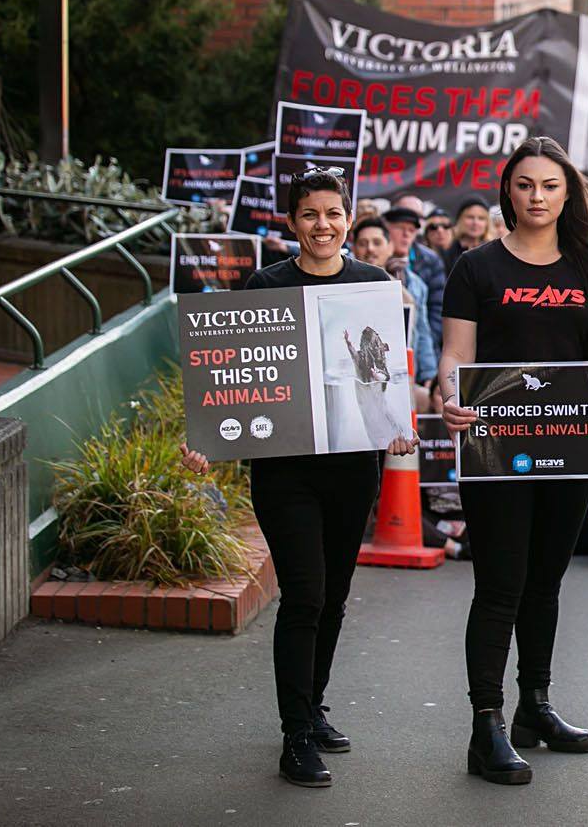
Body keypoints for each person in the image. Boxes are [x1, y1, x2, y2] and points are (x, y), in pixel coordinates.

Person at [179, 169, 419, 789]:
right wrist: (207, 435)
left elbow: (384, 374)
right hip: (285, 472)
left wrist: (398, 422)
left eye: (333, 214)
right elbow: (237, 373)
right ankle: (294, 736)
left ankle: (312, 710)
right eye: (309, 214)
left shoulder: (373, 285)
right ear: (291, 222)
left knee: (333, 597)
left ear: (349, 218)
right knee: (305, 595)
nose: (323, 225)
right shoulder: (267, 284)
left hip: (351, 467)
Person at [438, 137, 588, 787]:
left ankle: (535, 706)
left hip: (571, 451)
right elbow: (454, 358)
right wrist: (447, 395)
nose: (538, 196)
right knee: (499, 586)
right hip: (494, 451)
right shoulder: (476, 268)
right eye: (525, 184)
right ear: (508, 191)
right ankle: (486, 724)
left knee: (545, 583)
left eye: (550, 185)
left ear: (567, 193)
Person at [350, 216, 437, 408]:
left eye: (377, 242)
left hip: (398, 378)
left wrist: (429, 375)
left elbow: (421, 335)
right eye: (363, 243)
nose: (370, 249)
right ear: (354, 248)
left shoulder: (409, 291)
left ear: (390, 247)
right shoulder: (342, 287)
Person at [387, 197, 446, 363]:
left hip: (415, 352)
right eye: (400, 228)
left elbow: (432, 316)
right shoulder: (372, 264)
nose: (406, 234)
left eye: (411, 230)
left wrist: (427, 367)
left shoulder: (427, 264)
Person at [443, 195, 491, 274]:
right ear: (460, 220)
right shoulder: (448, 252)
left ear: (487, 223)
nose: (475, 222)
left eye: (481, 218)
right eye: (470, 217)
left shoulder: (493, 251)